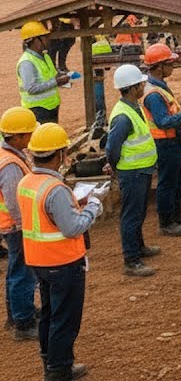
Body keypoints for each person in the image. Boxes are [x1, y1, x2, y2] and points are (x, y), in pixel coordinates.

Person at [19, 122, 105, 381]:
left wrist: (73, 205)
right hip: (63, 262)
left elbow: (44, 216)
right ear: (59, 155)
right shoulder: (55, 189)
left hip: (38, 260)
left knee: (48, 313)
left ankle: (50, 362)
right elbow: (72, 227)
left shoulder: (28, 181)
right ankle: (59, 369)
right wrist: (93, 206)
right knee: (65, 319)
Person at [106, 64, 160, 277]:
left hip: (140, 170)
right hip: (132, 172)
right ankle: (131, 260)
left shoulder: (133, 108)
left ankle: (139, 247)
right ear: (132, 87)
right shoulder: (123, 116)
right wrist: (115, 166)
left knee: (138, 213)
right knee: (131, 215)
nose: (144, 86)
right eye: (141, 84)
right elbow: (112, 148)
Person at [141, 44, 181, 237]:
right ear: (158, 66)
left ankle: (176, 213)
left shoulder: (159, 87)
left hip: (173, 140)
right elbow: (163, 121)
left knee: (178, 178)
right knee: (167, 182)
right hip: (164, 143)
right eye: (169, 63)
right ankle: (166, 222)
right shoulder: (154, 94)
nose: (173, 66)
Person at [0, 107, 37, 341]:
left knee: (16, 270)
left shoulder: (9, 155)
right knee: (23, 273)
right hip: (16, 225)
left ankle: (16, 314)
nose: (31, 137)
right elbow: (14, 201)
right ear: (17, 137)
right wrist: (27, 227)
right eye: (28, 133)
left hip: (11, 224)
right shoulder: (11, 164)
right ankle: (23, 322)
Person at [17, 22, 69, 124]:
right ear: (35, 40)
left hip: (51, 107)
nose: (48, 40)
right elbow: (31, 88)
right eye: (45, 37)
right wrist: (56, 81)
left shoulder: (45, 57)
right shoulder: (27, 62)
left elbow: (52, 75)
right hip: (37, 110)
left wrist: (63, 77)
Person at [34, 0, 72, 71]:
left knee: (69, 40)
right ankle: (53, 68)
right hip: (51, 19)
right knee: (53, 44)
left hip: (65, 18)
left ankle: (62, 64)